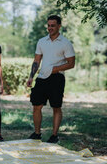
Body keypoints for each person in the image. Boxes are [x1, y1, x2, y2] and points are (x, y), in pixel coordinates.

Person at [26, 15, 75, 143]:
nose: (50, 28)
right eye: (48, 25)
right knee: (36, 105)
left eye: (53, 25)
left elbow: (71, 63)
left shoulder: (66, 43)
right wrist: (31, 76)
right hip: (42, 78)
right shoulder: (41, 41)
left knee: (56, 107)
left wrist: (54, 69)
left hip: (57, 78)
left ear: (59, 26)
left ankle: (54, 135)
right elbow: (36, 61)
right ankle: (37, 134)